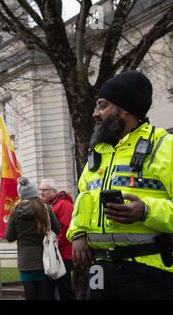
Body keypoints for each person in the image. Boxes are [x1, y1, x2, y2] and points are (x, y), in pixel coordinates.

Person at [67, 70, 173, 300]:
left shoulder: (164, 146)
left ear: (125, 108)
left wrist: (146, 210)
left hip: (148, 270)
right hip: (99, 269)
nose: (95, 114)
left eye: (102, 105)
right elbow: (83, 199)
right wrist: (78, 234)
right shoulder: (98, 153)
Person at [6, 177, 60, 300]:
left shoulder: (15, 210)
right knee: (46, 296)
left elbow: (9, 237)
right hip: (45, 259)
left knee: (30, 296)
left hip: (25, 261)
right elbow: (57, 229)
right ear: (35, 192)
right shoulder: (45, 208)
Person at [39, 178, 75, 300]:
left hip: (63, 254)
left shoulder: (64, 205)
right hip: (55, 253)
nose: (41, 192)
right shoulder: (52, 205)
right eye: (40, 189)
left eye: (44, 190)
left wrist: (53, 243)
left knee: (65, 290)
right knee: (53, 290)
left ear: (53, 191)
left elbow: (66, 229)